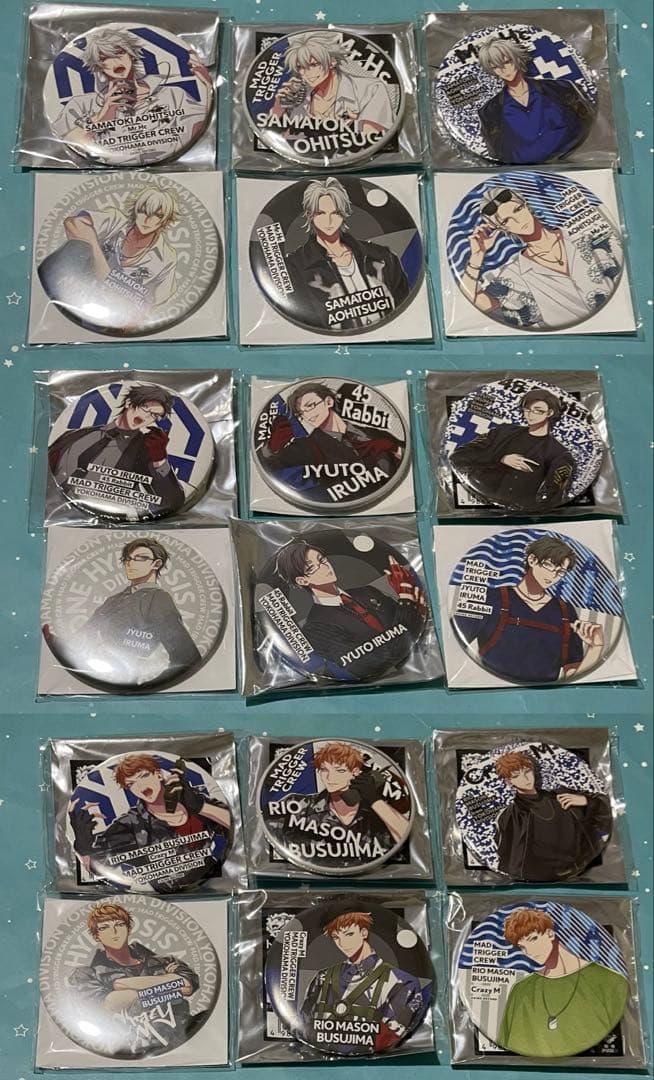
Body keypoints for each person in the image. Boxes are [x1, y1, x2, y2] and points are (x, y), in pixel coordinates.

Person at [44, 538, 202, 687]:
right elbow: (81, 638)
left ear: (156, 564)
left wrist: (148, 686)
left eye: (140, 558)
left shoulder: (158, 599)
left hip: (124, 678)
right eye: (128, 559)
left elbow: (187, 657)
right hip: (86, 673)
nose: (130, 563)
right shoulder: (113, 599)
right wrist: (55, 642)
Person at [460, 184, 622, 330]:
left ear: (526, 206)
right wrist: (477, 257)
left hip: (620, 318)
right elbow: (471, 301)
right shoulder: (514, 273)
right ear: (502, 228)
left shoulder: (584, 236)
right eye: (507, 220)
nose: (518, 220)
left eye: (518, 210)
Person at [453, 536, 605, 684]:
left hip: (546, 695)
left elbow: (572, 674)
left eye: (560, 572)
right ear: (532, 560)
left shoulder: (565, 611)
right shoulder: (491, 598)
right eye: (549, 565)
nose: (553, 575)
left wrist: (595, 647)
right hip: (489, 688)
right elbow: (453, 645)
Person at [69, 753, 232, 889]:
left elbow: (230, 822)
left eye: (144, 776)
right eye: (131, 784)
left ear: (159, 774)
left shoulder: (193, 798)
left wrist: (199, 806)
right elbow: (97, 868)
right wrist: (83, 846)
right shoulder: (130, 824)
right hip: (169, 894)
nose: (141, 787)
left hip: (215, 879)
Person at [51, 27, 212, 165]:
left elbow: (201, 130)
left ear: (132, 55)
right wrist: (103, 115)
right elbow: (64, 145)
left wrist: (206, 85)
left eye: (119, 53)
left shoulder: (172, 94)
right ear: (98, 66)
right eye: (104, 58)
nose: (115, 61)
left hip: (175, 169)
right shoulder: (81, 104)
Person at [273, 540, 426, 680]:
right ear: (302, 580)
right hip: (388, 681)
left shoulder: (367, 592)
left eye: (322, 560)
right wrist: (408, 602)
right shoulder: (316, 628)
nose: (325, 567)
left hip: (422, 657)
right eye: (312, 568)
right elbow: (372, 661)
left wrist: (411, 608)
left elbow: (414, 622)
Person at [38, 186, 180, 332]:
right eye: (143, 211)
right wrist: (94, 246)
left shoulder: (167, 257)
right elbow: (73, 223)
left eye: (158, 215)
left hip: (110, 316)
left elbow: (153, 302)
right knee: (74, 248)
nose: (147, 220)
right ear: (135, 210)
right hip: (75, 292)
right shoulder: (116, 220)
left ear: (165, 220)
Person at [68, 902, 200, 1054]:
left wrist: (124, 984)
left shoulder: (165, 960)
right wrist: (170, 983)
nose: (114, 932)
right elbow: (110, 1003)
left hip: (184, 1036)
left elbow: (188, 986)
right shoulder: (86, 974)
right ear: (96, 936)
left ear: (129, 929)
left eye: (119, 925)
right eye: (104, 928)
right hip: (128, 1045)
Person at [496, 908, 628, 1056]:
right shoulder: (521, 990)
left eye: (533, 939)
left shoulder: (610, 980)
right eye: (522, 947)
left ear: (550, 934)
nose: (530, 951)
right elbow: (506, 1050)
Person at [283, 177, 410, 331]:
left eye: (335, 213)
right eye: (321, 213)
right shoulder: (295, 266)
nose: (329, 221)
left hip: (391, 332)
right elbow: (300, 316)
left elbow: (406, 307)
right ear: (309, 215)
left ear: (344, 214)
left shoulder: (383, 256)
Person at [48, 382, 185, 517]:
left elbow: (171, 502)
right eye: (145, 407)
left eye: (155, 415)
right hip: (55, 508)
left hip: (105, 518)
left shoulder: (145, 451)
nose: (147, 416)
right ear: (129, 403)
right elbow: (47, 467)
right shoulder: (78, 435)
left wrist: (159, 460)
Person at [300, 911, 427, 1053]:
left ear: (364, 933)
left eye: (349, 934)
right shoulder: (323, 977)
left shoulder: (402, 982)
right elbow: (304, 1023)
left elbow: (390, 1037)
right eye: (336, 937)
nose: (342, 943)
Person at [266, 741, 410, 862]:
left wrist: (373, 799)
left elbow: (406, 836)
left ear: (355, 773)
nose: (330, 777)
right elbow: (264, 838)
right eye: (324, 770)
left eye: (339, 770)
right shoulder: (297, 804)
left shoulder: (378, 814)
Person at [493, 750, 612, 880]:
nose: (526, 778)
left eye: (527, 771)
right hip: (538, 877)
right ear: (509, 781)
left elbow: (606, 812)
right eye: (516, 776)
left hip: (583, 867)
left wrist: (587, 801)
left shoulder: (561, 795)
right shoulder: (509, 818)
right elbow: (508, 860)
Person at [449, 387, 576, 510]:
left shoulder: (560, 454)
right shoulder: (503, 431)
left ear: (550, 413)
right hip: (474, 498)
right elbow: (458, 456)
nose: (530, 415)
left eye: (538, 411)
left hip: (518, 512)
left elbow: (552, 498)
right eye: (527, 409)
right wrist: (500, 459)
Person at [476, 37, 594, 164]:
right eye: (496, 67)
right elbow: (495, 150)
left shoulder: (561, 89)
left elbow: (583, 120)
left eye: (507, 62)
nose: (504, 70)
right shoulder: (489, 112)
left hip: (573, 159)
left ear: (517, 59)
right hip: (516, 170)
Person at [262, 381, 403, 479]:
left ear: (328, 402)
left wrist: (395, 449)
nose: (307, 415)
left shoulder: (371, 432)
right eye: (301, 413)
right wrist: (271, 447)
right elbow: (268, 464)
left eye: (310, 405)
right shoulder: (307, 446)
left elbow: (406, 455)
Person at [272, 31, 394, 135]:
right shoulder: (298, 97)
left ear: (332, 61)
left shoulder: (371, 89)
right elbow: (282, 140)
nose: (306, 73)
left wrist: (353, 125)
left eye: (313, 65)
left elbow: (372, 139)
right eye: (300, 67)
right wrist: (279, 107)